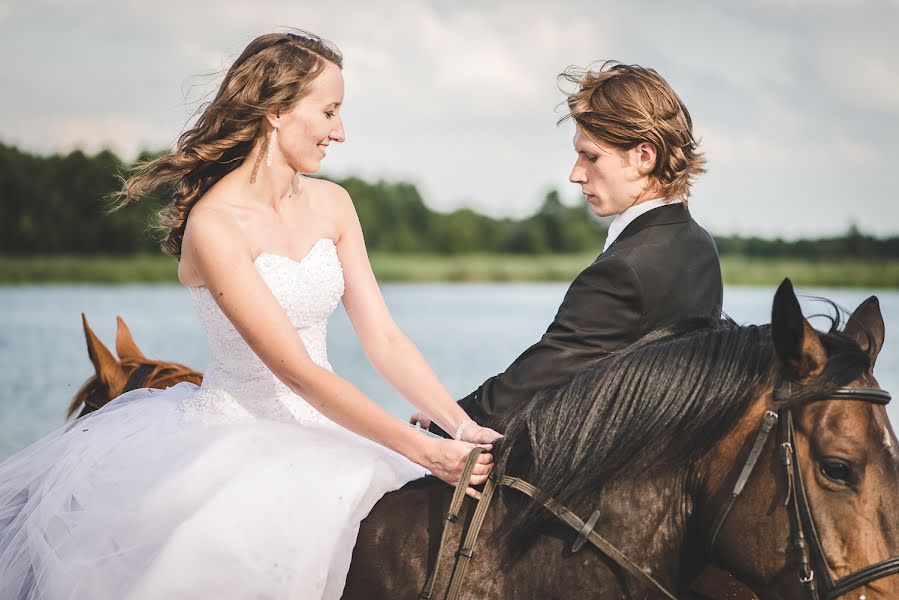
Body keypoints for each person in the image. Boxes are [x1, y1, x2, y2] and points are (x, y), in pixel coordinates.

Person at [0, 31, 500, 600]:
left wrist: (458, 425)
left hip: (326, 427)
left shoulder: (335, 204)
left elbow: (382, 337)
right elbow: (295, 371)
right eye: (330, 112)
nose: (341, 131)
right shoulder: (214, 226)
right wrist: (424, 449)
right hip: (235, 437)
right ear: (276, 112)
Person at [414, 61, 723, 436]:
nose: (575, 174)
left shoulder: (625, 268)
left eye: (591, 156)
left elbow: (540, 375)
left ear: (644, 156)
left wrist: (450, 421)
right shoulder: (699, 244)